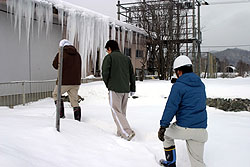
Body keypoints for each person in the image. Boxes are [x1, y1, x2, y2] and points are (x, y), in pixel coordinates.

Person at [158, 55, 208, 167]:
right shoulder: (201, 84)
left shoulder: (178, 86)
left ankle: (170, 163)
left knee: (166, 135)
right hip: (201, 130)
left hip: (184, 128)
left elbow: (171, 107)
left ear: (179, 71)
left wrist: (163, 126)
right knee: (198, 163)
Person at [102, 40, 136, 141]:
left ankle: (127, 132)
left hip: (114, 88)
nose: (107, 52)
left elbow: (105, 73)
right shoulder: (126, 58)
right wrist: (132, 88)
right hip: (126, 89)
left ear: (109, 49)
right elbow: (132, 74)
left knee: (116, 111)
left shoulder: (109, 57)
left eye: (107, 50)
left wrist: (109, 85)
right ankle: (121, 132)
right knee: (121, 112)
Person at [52, 39, 82, 121]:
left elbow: (55, 65)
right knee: (74, 100)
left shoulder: (61, 53)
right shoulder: (78, 54)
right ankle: (77, 119)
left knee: (56, 95)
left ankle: (61, 116)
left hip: (64, 81)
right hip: (76, 82)